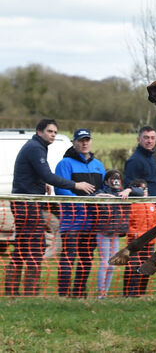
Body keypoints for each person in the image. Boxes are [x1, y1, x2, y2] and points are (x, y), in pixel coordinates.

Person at [4, 119, 95, 297]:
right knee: (34, 249)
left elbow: (37, 173)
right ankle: (29, 293)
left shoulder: (37, 146)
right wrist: (76, 185)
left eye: (55, 132)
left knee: (23, 248)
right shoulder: (35, 147)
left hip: (27, 202)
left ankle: (12, 292)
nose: (53, 135)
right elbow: (48, 174)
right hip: (27, 204)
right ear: (39, 132)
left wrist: (41, 182)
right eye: (50, 131)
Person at [54, 128, 106, 298]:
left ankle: (79, 292)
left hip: (92, 222)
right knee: (69, 258)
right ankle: (63, 294)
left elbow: (104, 190)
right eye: (80, 140)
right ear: (74, 143)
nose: (84, 143)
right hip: (72, 222)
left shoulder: (98, 165)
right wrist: (83, 203)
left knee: (86, 258)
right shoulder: (65, 164)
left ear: (91, 142)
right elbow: (61, 190)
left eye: (87, 140)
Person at [122, 126, 156, 296]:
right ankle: (129, 293)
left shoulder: (151, 158)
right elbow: (130, 187)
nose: (149, 140)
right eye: (146, 137)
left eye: (152, 137)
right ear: (139, 139)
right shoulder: (135, 160)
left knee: (147, 258)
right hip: (138, 216)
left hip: (151, 213)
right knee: (134, 258)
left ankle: (140, 293)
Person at [94, 169, 141, 298]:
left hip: (116, 233)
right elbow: (95, 196)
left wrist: (129, 190)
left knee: (112, 264)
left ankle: (106, 292)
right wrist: (111, 197)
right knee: (104, 262)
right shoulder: (102, 192)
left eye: (118, 178)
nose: (115, 181)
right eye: (112, 178)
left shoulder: (124, 192)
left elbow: (141, 192)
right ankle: (100, 293)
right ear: (106, 181)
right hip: (103, 232)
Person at [123, 179, 156, 297]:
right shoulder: (131, 205)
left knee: (147, 267)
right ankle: (128, 293)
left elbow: (155, 223)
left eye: (146, 189)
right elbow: (127, 224)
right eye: (142, 189)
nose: (145, 192)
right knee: (132, 267)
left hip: (150, 243)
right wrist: (135, 234)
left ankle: (141, 292)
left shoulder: (151, 205)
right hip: (136, 243)